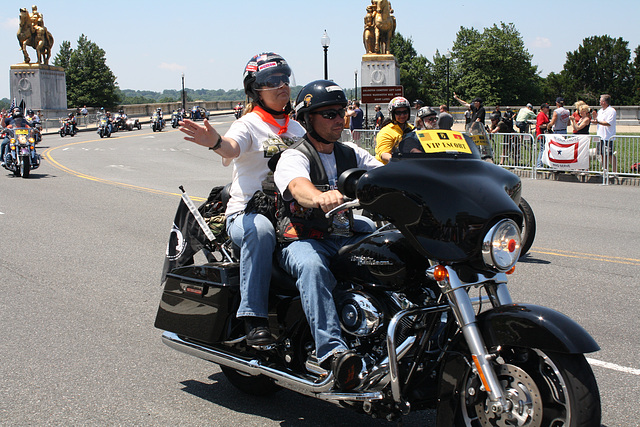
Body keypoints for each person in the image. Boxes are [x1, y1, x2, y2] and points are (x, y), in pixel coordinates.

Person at [179, 52, 306, 347]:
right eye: (272, 81)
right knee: (260, 231)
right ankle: (253, 318)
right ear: (255, 90)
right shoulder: (248, 124)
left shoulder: (298, 128)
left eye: (284, 78)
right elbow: (231, 148)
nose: (282, 85)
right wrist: (214, 142)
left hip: (292, 211)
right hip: (249, 211)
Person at [273, 80, 382, 390]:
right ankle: (333, 352)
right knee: (312, 267)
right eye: (330, 114)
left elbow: (382, 171)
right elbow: (297, 186)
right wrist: (318, 197)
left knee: (390, 246)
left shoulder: (351, 153)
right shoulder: (295, 156)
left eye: (341, 112)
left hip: (343, 234)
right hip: (304, 238)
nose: (339, 119)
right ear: (308, 119)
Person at [374, 96, 413, 164]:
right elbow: (384, 154)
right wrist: (400, 162)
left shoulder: (412, 129)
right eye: (398, 113)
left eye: (405, 112)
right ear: (392, 114)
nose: (402, 115)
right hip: (387, 168)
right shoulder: (386, 131)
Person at [592, 94, 617, 173]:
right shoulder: (600, 111)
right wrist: (595, 119)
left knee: (609, 154)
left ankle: (614, 171)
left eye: (600, 100)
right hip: (600, 136)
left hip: (608, 136)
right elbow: (598, 122)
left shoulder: (611, 111)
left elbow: (608, 123)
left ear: (604, 102)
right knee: (602, 154)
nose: (599, 102)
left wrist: (598, 121)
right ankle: (605, 171)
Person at [535, 103, 551, 167]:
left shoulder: (545, 115)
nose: (548, 109)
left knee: (544, 149)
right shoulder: (541, 115)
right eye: (547, 108)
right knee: (542, 149)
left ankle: (541, 164)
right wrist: (548, 125)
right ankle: (539, 165)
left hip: (544, 134)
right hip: (541, 134)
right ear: (543, 108)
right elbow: (540, 125)